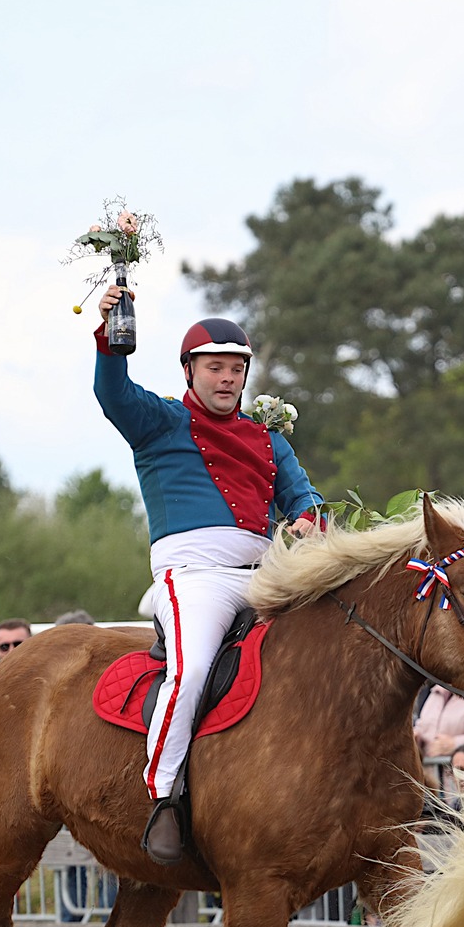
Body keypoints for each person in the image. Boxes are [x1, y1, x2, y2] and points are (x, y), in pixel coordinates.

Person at [91, 287, 327, 864]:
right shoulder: (161, 421)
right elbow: (112, 393)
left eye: (236, 368)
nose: (227, 378)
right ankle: (165, 794)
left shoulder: (269, 438)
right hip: (194, 576)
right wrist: (108, 336)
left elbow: (304, 496)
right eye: (215, 367)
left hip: (265, 576)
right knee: (193, 666)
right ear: (190, 370)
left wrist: (306, 520)